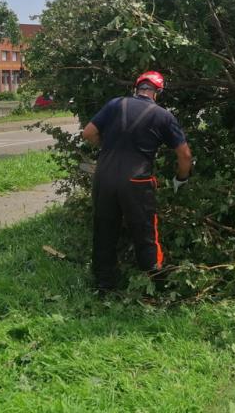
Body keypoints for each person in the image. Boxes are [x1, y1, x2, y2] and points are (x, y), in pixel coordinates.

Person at [81, 71, 192, 291]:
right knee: (145, 232)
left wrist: (108, 147)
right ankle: (155, 282)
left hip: (104, 176)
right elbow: (185, 155)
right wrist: (182, 178)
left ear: (136, 88)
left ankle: (104, 284)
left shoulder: (115, 104)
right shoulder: (163, 116)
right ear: (157, 92)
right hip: (137, 181)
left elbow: (88, 133)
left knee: (104, 229)